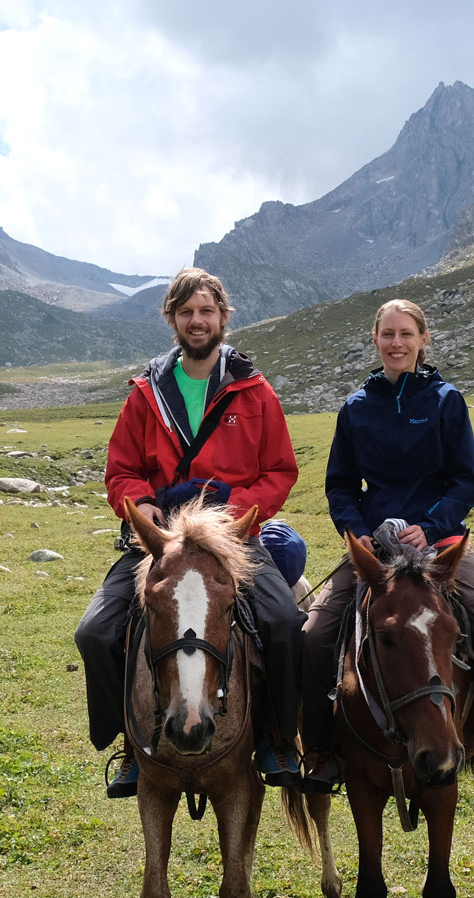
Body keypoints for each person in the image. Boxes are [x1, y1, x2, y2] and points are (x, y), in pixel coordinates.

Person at [76, 268, 304, 797]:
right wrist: (144, 507)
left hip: (232, 539)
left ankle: (275, 736)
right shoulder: (145, 393)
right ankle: (131, 744)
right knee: (94, 632)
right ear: (172, 320)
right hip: (161, 543)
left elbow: (279, 470)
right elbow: (122, 471)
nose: (197, 321)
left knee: (284, 623)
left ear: (223, 317)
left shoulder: (254, 391)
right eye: (186, 313)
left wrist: (234, 516)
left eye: (206, 311)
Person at [300, 298, 474, 792]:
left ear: (424, 340)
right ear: (375, 340)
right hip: (375, 550)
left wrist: (429, 525)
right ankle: (322, 751)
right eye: (388, 334)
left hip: (439, 545)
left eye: (407, 334)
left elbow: (465, 481)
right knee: (316, 634)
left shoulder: (447, 402)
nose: (397, 343)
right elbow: (340, 485)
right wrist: (356, 529)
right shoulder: (356, 409)